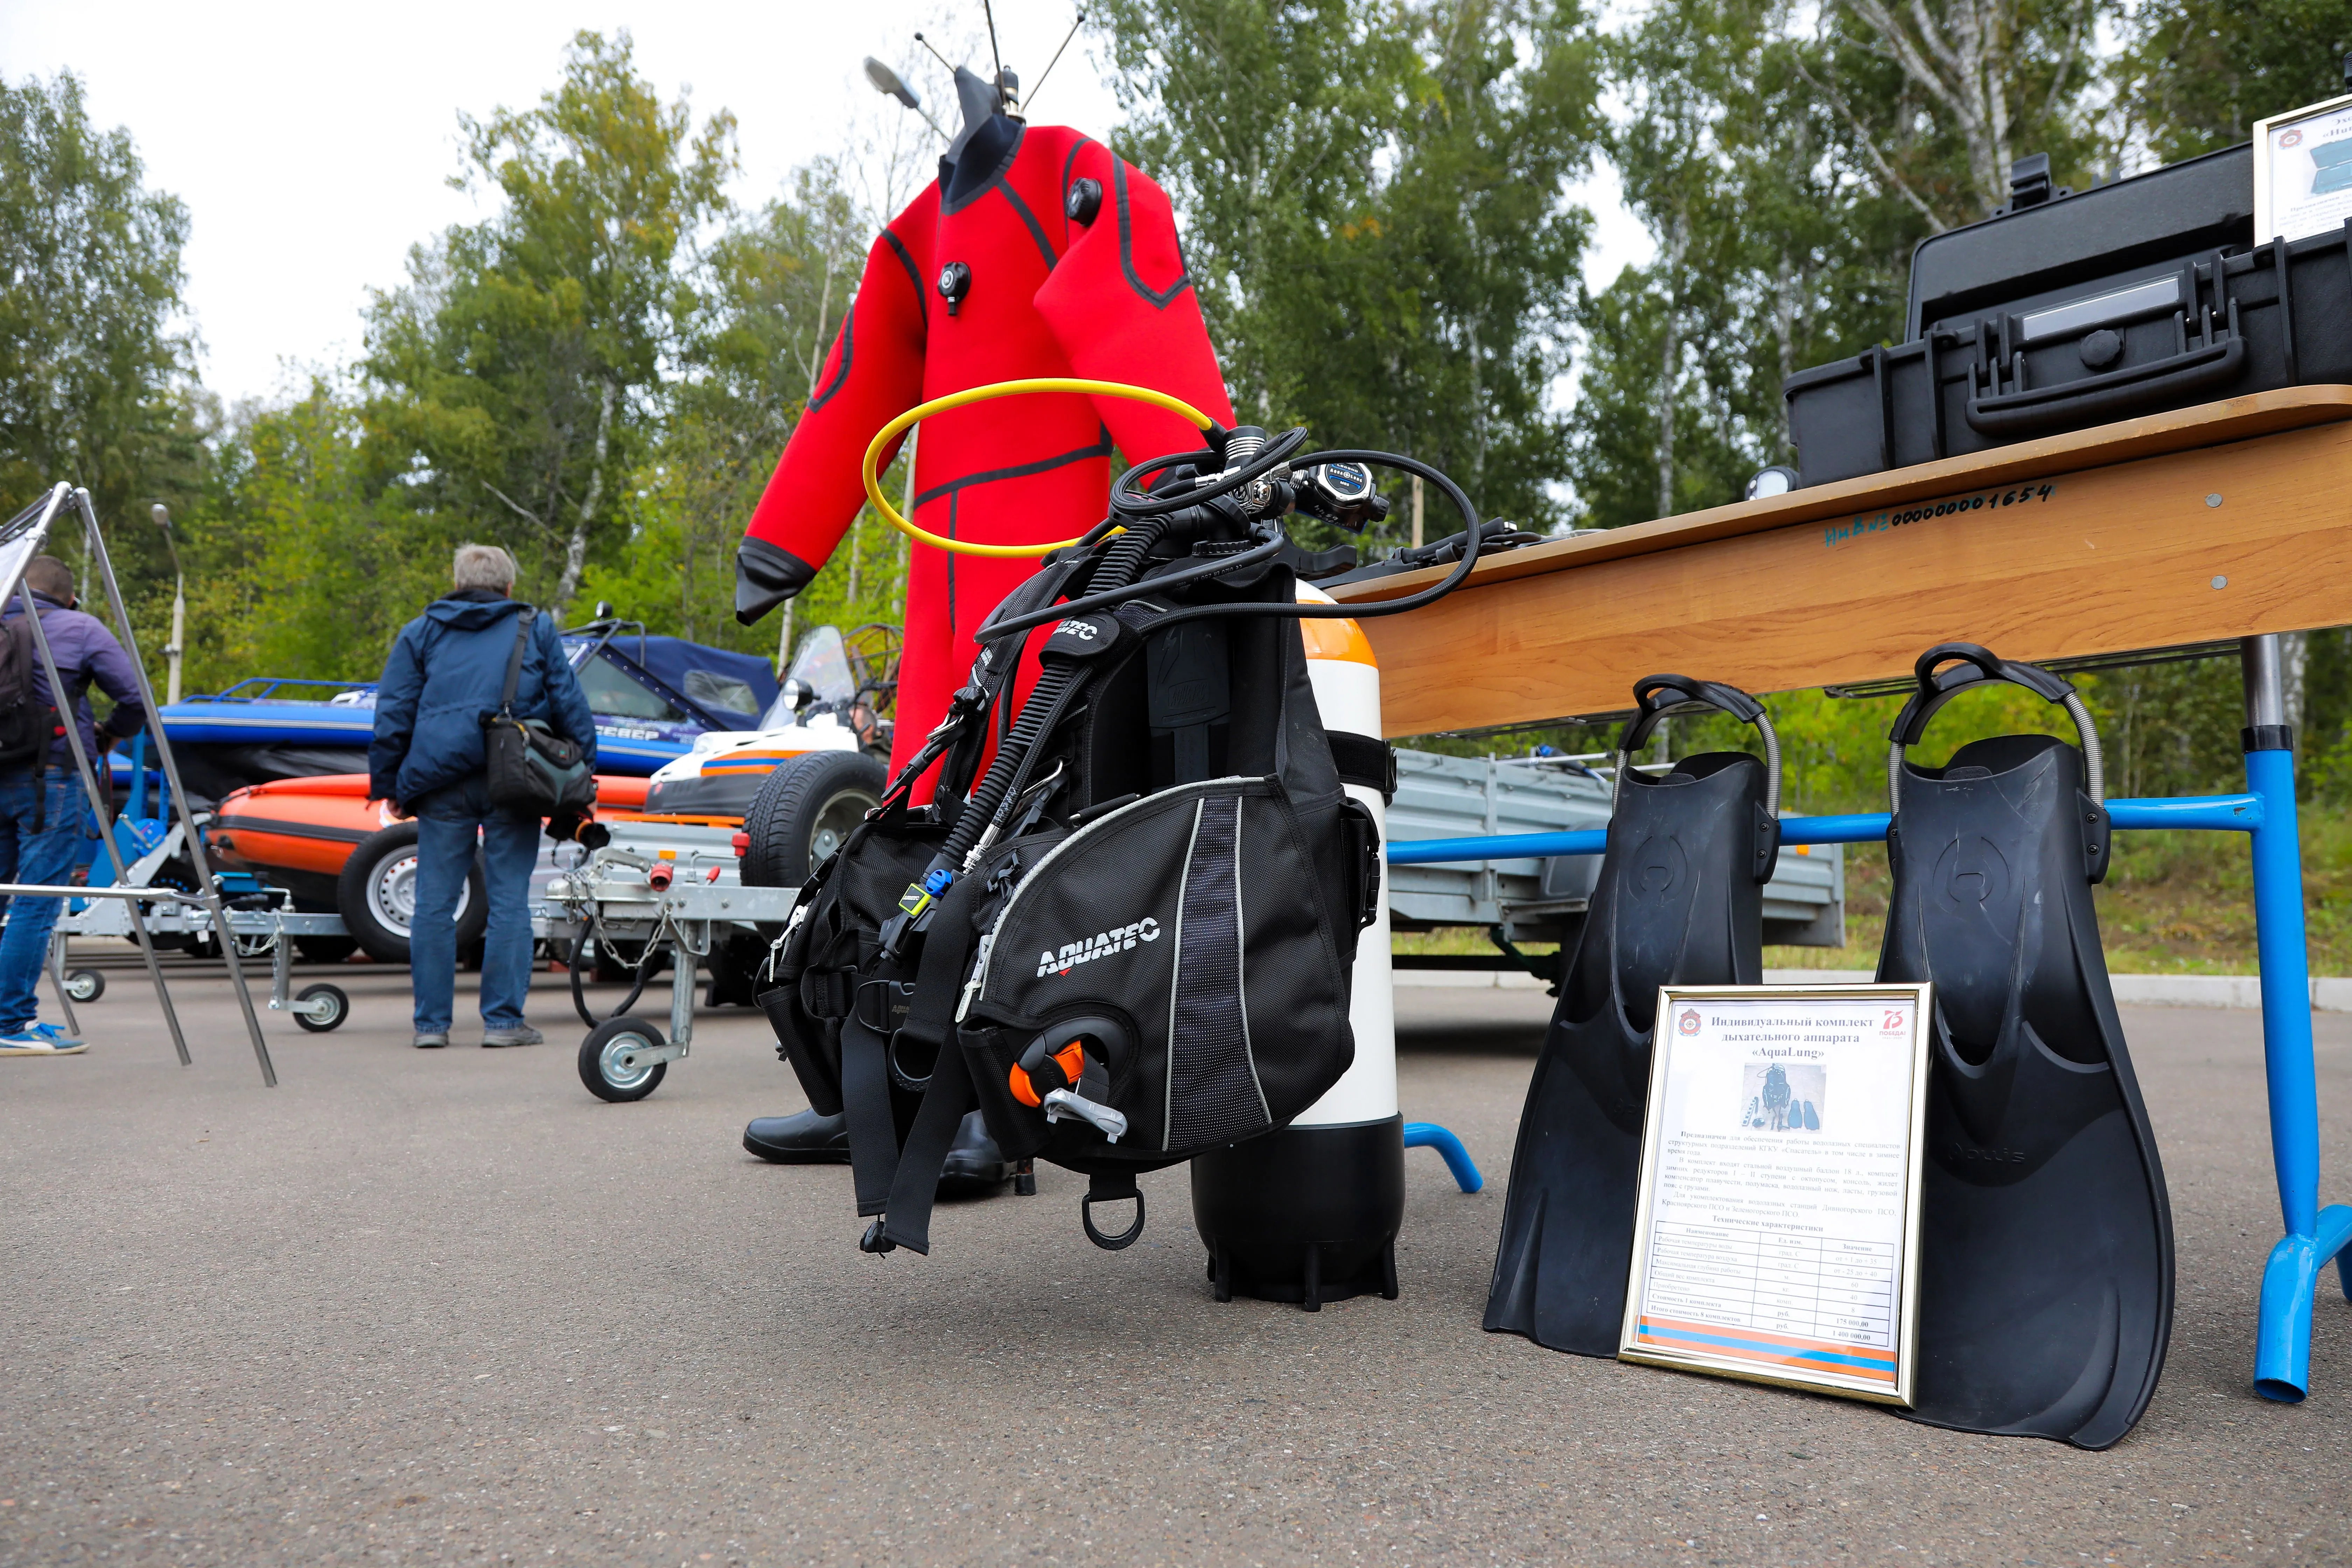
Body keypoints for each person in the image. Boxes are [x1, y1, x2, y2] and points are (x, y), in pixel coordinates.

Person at [369, 545, 593, 1050]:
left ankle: (430, 1027)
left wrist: (389, 786)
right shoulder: (533, 628)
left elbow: (393, 715)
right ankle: (503, 1023)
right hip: (514, 778)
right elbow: (570, 705)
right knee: (510, 900)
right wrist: (583, 778)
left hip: (438, 782)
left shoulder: (421, 632)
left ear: (456, 583)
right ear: (509, 587)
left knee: (433, 903)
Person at [0, 556, 150, 1056]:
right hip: (53, 778)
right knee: (36, 900)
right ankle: (11, 1024)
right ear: (69, 596)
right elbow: (134, 698)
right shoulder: (80, 628)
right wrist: (108, 735)